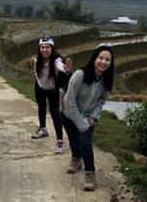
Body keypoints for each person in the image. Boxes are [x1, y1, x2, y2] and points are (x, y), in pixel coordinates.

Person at [62, 45, 115, 191]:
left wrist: (93, 117)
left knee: (86, 143)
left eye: (107, 60)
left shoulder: (106, 80)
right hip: (69, 115)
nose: (103, 62)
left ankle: (90, 173)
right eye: (100, 58)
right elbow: (69, 100)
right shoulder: (80, 75)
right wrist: (81, 123)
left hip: (88, 117)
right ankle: (76, 159)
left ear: (111, 63)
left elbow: (101, 101)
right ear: (94, 59)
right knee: (74, 141)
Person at [31, 37, 70, 154]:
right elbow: (36, 72)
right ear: (39, 48)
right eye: (42, 47)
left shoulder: (57, 60)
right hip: (40, 87)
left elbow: (61, 67)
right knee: (41, 108)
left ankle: (59, 140)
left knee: (55, 114)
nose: (45, 50)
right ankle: (43, 129)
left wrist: (65, 69)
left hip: (53, 90)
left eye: (47, 47)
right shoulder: (37, 60)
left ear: (52, 48)